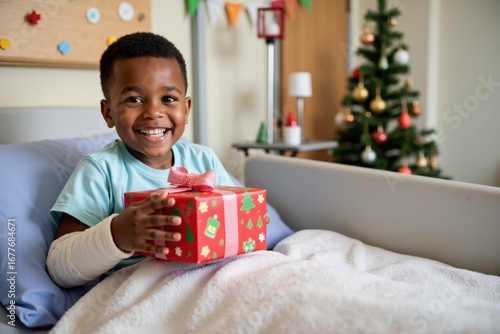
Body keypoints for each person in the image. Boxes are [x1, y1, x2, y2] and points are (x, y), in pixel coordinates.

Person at [46, 32, 238, 288]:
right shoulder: (101, 170)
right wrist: (116, 236)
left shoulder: (204, 159)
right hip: (142, 288)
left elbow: (235, 220)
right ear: (108, 112)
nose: (154, 112)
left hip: (212, 278)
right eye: (134, 99)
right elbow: (60, 268)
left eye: (168, 99)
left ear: (187, 108)